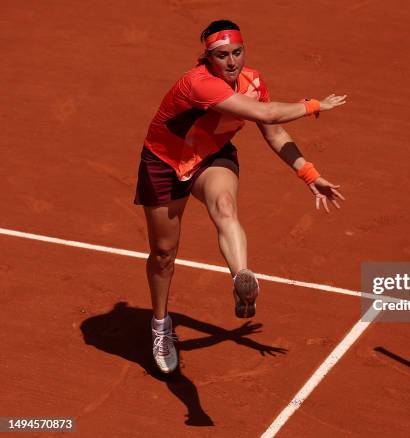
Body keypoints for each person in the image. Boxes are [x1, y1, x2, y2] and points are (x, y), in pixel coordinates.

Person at [133, 19, 347, 374]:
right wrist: (313, 104)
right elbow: (267, 112)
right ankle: (160, 325)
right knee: (163, 254)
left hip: (212, 156)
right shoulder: (198, 83)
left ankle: (241, 277)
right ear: (208, 57)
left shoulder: (253, 81)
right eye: (222, 55)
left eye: (237, 52)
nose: (231, 62)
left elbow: (274, 132)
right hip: (165, 164)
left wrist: (309, 172)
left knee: (225, 207)